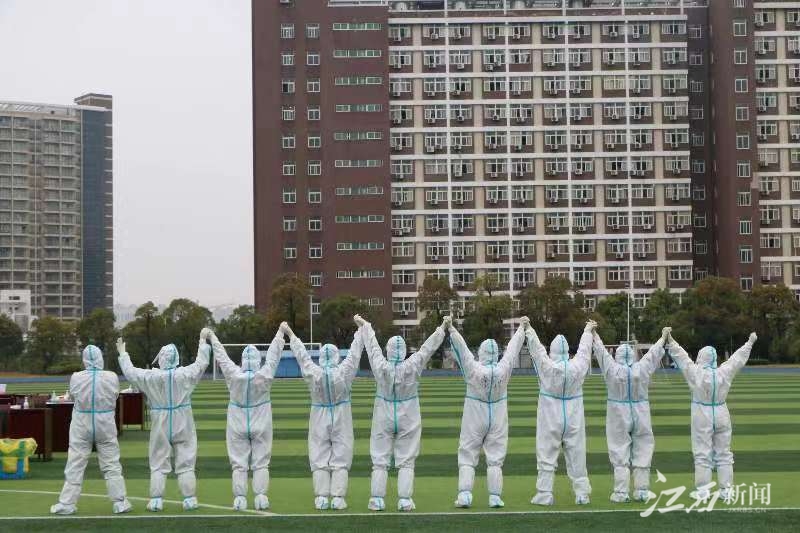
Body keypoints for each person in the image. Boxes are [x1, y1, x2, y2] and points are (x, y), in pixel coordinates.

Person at [357, 314, 447, 512]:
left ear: (388, 350)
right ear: (404, 350)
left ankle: (377, 500)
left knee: (380, 460)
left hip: (384, 413)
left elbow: (372, 349)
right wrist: (441, 328)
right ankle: (404, 500)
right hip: (409, 414)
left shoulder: (381, 365)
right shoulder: (413, 364)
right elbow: (427, 348)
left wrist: (366, 327)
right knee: (406, 461)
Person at [117, 331, 210, 511]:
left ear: (162, 359)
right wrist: (202, 341)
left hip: (160, 421)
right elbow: (202, 363)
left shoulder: (151, 377)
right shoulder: (184, 374)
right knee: (186, 461)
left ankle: (156, 500)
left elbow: (130, 372)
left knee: (158, 461)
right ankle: (189, 499)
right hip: (182, 419)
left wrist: (123, 354)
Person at [447, 317, 529, 509]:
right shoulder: (503, 369)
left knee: (468, 455)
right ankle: (495, 497)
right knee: (495, 459)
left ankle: (465, 496)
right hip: (497, 418)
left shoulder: (474, 369)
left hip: (475, 416)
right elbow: (512, 350)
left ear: (481, 353)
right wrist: (521, 329)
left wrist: (451, 329)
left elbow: (462, 350)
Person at [666, 330, 757, 500]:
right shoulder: (724, 371)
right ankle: (726, 491)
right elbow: (737, 359)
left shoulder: (696, 372)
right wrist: (749, 343)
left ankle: (703, 491)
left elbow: (682, 358)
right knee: (724, 453)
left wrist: (670, 341)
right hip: (721, 412)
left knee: (702, 452)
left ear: (701, 357)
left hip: (702, 413)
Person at [283, 321, 363, 510]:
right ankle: (338, 498)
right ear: (336, 356)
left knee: (319, 455)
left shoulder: (314, 372)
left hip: (319, 414)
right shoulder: (344, 371)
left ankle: (321, 498)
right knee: (341, 456)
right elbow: (354, 355)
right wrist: (360, 332)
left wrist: (291, 335)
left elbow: (302, 356)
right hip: (341, 414)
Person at [50, 345, 132, 515]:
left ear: (84, 360)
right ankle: (120, 502)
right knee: (111, 463)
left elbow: (73, 396)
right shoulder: (111, 376)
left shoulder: (76, 377)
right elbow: (115, 395)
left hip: (82, 423)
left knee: (75, 463)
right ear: (101, 358)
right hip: (105, 423)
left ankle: (67, 503)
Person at [591, 327, 671, 502]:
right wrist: (663, 337)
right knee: (643, 447)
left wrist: (595, 334)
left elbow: (602, 353)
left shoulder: (612, 368)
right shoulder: (641, 368)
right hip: (641, 410)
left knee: (619, 448)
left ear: (617, 355)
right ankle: (642, 491)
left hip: (618, 412)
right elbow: (653, 354)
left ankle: (621, 492)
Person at [208, 327, 284, 511]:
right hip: (261, 422)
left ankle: (240, 499)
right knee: (261, 463)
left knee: (239, 464)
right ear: (258, 360)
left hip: (237, 422)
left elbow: (222, 357)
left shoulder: (234, 374)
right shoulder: (264, 374)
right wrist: (279, 335)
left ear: (242, 360)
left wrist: (212, 337)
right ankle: (261, 498)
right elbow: (273, 356)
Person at [525, 321, 595, 506]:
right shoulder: (577, 366)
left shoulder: (547, 367)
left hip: (550, 415)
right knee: (577, 454)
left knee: (546, 453)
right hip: (573, 415)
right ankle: (582, 494)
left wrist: (529, 330)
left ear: (553, 351)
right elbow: (584, 352)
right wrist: (587, 331)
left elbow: (537, 351)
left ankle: (544, 494)